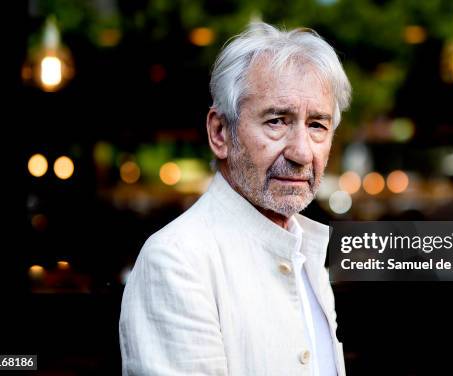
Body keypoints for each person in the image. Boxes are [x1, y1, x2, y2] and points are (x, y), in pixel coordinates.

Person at [120, 21, 352, 375]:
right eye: (277, 121)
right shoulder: (176, 261)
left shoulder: (306, 251)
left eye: (317, 125)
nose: (302, 152)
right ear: (220, 132)